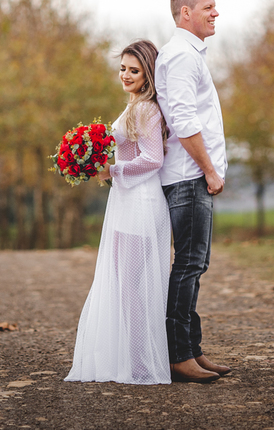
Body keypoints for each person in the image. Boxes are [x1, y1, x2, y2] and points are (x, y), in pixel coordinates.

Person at [65, 40, 172, 385]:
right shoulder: (135, 106)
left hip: (141, 204)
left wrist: (112, 170)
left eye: (134, 70)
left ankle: (141, 363)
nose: (126, 75)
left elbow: (154, 159)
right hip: (129, 201)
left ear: (148, 74)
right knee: (127, 287)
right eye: (123, 69)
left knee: (131, 288)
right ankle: (135, 360)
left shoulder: (146, 110)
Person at [155, 0, 230, 384]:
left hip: (189, 177)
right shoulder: (182, 56)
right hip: (188, 178)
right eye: (208, 7)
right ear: (186, 13)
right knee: (188, 265)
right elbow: (184, 121)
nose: (215, 13)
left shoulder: (187, 54)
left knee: (193, 265)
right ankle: (177, 355)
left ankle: (192, 350)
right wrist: (210, 170)